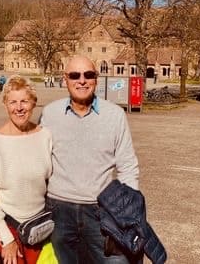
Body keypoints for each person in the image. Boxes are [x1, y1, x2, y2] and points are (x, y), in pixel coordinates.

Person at [40, 55, 140, 264]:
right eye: (75, 75)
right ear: (65, 79)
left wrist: (128, 213)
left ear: (96, 78)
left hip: (101, 210)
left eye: (89, 74)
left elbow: (127, 166)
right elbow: (36, 159)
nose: (82, 80)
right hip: (60, 210)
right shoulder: (50, 114)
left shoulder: (114, 115)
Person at [0, 75, 53, 264]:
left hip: (40, 227)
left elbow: (53, 183)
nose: (19, 108)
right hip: (7, 227)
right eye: (13, 102)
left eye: (24, 101)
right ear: (5, 105)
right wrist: (7, 239)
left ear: (34, 103)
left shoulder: (45, 136)